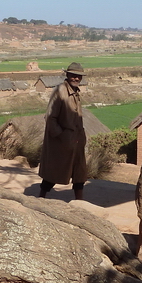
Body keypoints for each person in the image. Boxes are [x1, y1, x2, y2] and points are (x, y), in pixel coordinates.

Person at [38, 62, 87, 199]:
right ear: (67, 75)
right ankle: (40, 198)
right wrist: (62, 136)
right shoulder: (60, 91)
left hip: (77, 140)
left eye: (79, 76)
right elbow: (50, 117)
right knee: (54, 171)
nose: (76, 78)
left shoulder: (75, 93)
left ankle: (80, 202)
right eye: (73, 75)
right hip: (62, 142)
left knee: (79, 172)